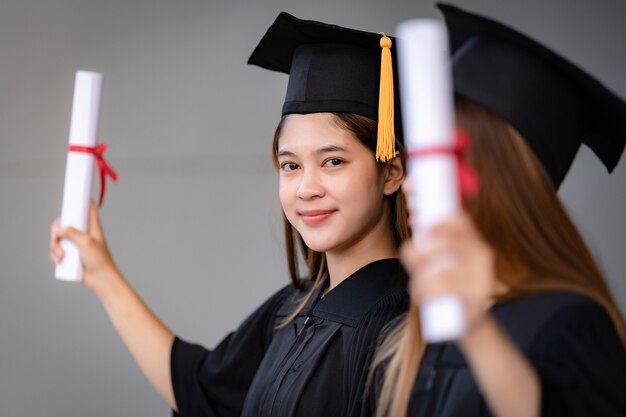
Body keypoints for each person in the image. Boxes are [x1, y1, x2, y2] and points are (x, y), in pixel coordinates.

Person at [50, 12, 411, 417]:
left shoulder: (407, 325)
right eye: (291, 165)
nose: (307, 188)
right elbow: (203, 390)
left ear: (391, 171)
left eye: (332, 161)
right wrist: (101, 273)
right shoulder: (295, 305)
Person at [369, 4, 626, 417]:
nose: (411, 184)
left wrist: (477, 331)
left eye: (440, 163)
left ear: (501, 181)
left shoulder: (572, 326)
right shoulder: (418, 330)